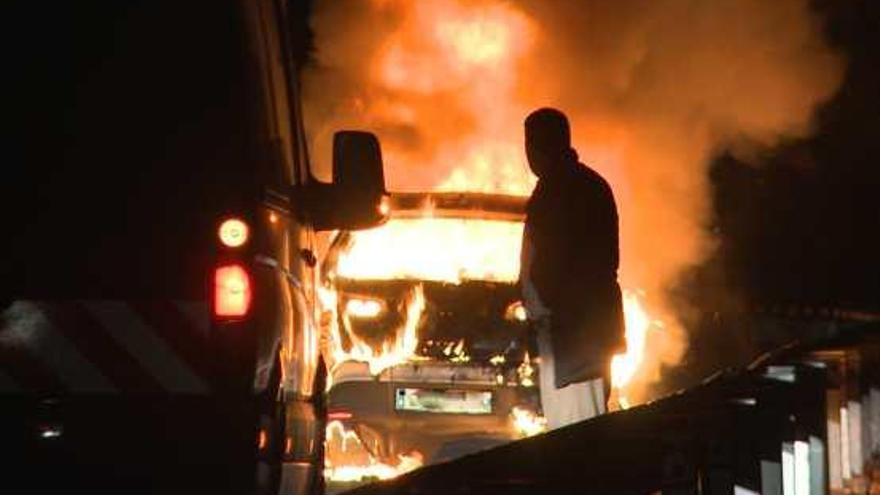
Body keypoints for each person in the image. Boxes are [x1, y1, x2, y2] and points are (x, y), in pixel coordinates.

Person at [519, 107, 625, 429]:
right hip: (582, 330)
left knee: (576, 427)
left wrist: (541, 308)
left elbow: (550, 262)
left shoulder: (558, 191)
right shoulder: (589, 185)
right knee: (578, 421)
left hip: (574, 334)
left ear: (537, 147)